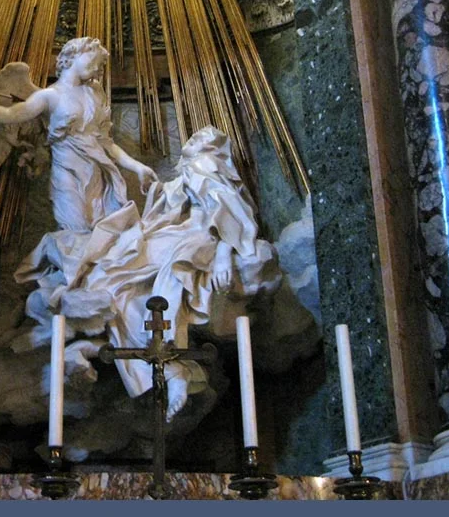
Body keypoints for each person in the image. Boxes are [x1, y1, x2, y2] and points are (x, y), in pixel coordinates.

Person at [26, 125, 280, 420]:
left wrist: (224, 253)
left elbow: (231, 213)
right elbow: (165, 208)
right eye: (195, 136)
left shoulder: (205, 164)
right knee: (118, 292)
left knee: (168, 273)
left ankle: (171, 361)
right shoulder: (186, 171)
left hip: (194, 237)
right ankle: (171, 370)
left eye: (201, 137)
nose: (194, 139)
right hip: (167, 235)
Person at [0, 36, 157, 235]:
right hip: (67, 172)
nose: (97, 69)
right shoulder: (49, 96)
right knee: (75, 230)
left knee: (101, 232)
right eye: (93, 61)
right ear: (73, 55)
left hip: (97, 173)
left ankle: (91, 266)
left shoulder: (95, 93)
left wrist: (138, 167)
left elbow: (107, 144)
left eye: (99, 65)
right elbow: (11, 114)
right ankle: (76, 265)